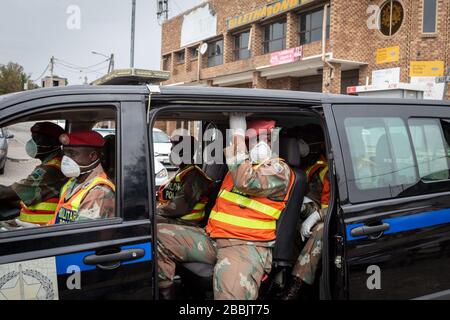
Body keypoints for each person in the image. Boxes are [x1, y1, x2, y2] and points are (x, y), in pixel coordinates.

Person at [157, 114, 294, 300]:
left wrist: (237, 134)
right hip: (213, 238)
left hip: (244, 246)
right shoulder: (238, 168)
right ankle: (166, 295)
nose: (258, 144)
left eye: (264, 139)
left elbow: (247, 182)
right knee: (156, 236)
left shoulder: (279, 170)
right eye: (250, 139)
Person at [283, 124, 330, 300]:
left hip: (332, 218)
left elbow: (340, 205)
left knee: (319, 230)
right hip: (315, 209)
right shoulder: (316, 167)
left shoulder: (339, 168)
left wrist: (316, 216)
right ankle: (283, 272)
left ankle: (297, 284)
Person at [0, 122, 67, 227]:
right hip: (33, 225)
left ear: (51, 142)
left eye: (36, 139)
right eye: (32, 138)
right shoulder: (53, 163)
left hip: (40, 230)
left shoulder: (50, 170)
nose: (31, 143)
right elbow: (24, 196)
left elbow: (8, 193)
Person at [48, 130, 115, 225]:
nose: (66, 160)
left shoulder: (99, 191)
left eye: (72, 154)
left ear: (93, 156)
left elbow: (81, 236)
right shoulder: (72, 182)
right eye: (65, 154)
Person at [156, 133, 213, 226]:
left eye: (174, 149)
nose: (170, 152)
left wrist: (152, 211)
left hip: (185, 222)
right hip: (174, 217)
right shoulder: (184, 171)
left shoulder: (194, 177)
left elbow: (177, 207)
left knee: (145, 221)